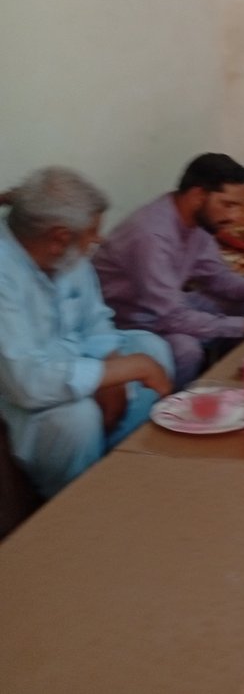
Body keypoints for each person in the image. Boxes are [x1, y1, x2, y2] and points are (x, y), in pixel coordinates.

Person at [0, 168, 174, 498]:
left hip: (73, 359)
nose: (99, 240)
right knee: (78, 420)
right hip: (23, 390)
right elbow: (26, 382)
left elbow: (94, 320)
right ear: (59, 237)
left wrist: (113, 365)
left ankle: (118, 468)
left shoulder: (67, 257)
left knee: (153, 348)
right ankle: (73, 500)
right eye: (92, 232)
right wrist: (114, 372)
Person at [93, 154, 244, 389]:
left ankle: (229, 379)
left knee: (238, 305)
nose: (235, 217)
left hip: (164, 306)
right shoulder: (151, 236)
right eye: (228, 205)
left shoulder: (197, 222)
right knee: (186, 349)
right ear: (198, 196)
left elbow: (218, 277)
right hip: (130, 320)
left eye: (238, 206)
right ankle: (175, 402)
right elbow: (172, 317)